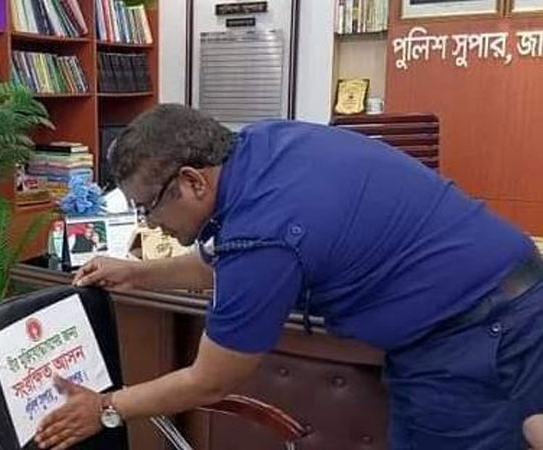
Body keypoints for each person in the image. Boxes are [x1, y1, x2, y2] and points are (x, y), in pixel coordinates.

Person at [34, 104, 543, 450]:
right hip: (489, 300)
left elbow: (212, 379)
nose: (148, 224)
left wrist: (107, 407)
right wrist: (140, 274)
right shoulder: (259, 144)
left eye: (149, 206)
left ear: (191, 181)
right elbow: (232, 261)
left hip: (480, 335)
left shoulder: (262, 235)